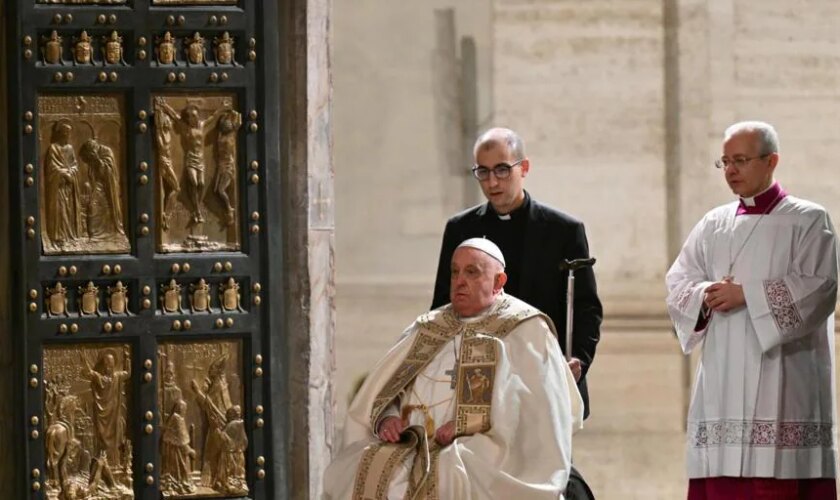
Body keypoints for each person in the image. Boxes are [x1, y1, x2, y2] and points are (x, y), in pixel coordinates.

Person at [324, 238, 582, 499]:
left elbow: (536, 409)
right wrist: (387, 417)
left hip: (478, 446)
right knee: (360, 468)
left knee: (452, 474)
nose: (460, 280)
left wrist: (466, 423)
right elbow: (389, 388)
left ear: (498, 282)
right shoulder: (429, 326)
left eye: (472, 272)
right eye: (455, 271)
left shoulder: (526, 329)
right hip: (409, 445)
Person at [666, 121, 838, 499]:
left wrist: (748, 295)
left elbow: (820, 287)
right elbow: (678, 281)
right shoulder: (713, 224)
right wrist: (704, 294)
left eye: (740, 160)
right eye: (725, 161)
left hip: (785, 377)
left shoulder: (808, 220)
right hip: (722, 381)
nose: (730, 171)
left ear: (771, 161)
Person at [432, 127, 602, 418]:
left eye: (501, 169)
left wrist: (579, 362)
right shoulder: (461, 229)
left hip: (544, 379)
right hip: (479, 380)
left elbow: (587, 308)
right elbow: (443, 304)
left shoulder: (564, 230)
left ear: (523, 167)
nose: (492, 181)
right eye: (482, 172)